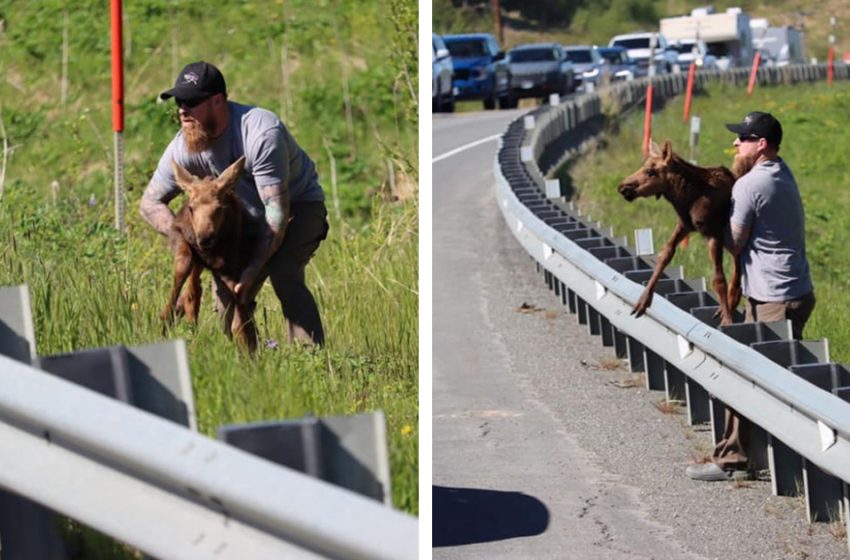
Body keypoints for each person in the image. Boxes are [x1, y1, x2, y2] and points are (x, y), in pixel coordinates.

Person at [140, 61, 328, 345]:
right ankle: (251, 371)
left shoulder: (260, 133)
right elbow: (150, 203)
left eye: (191, 101)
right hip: (241, 221)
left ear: (218, 100)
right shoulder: (185, 146)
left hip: (298, 207)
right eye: (179, 102)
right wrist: (189, 243)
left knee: (283, 271)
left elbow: (277, 216)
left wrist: (251, 269)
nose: (182, 109)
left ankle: (312, 362)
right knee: (226, 300)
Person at [686, 111, 815, 481]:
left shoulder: (750, 185)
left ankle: (740, 462)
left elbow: (736, 242)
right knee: (759, 377)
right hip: (792, 291)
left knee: (750, 379)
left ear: (761, 145)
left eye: (742, 138)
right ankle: (742, 458)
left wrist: (708, 221)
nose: (735, 144)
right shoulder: (780, 171)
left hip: (775, 298)